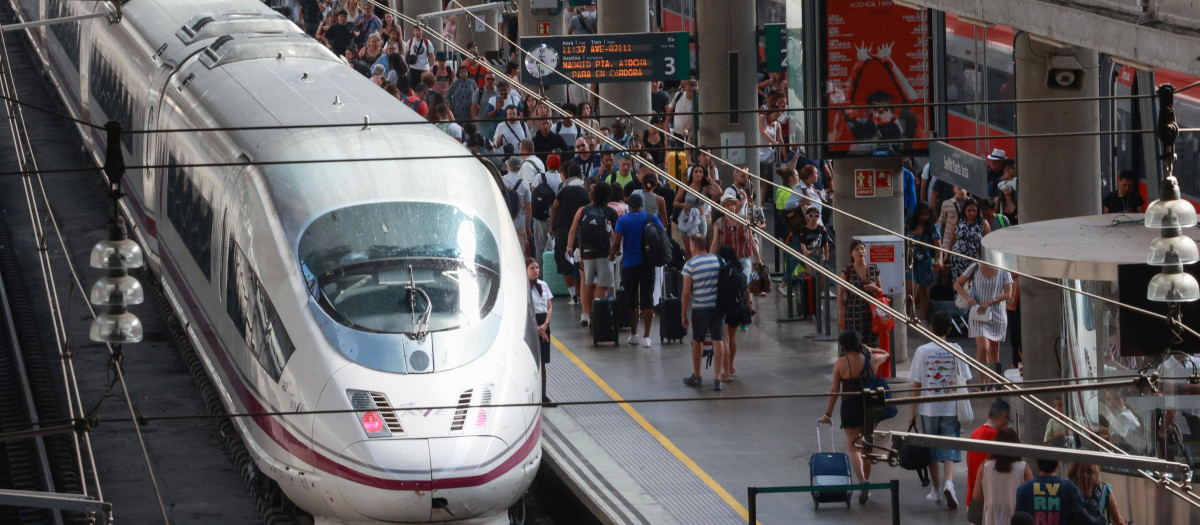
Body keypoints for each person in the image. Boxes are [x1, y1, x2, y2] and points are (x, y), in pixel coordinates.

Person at [908, 311, 973, 510]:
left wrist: (913, 411)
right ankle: (949, 484)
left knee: (931, 447)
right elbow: (967, 378)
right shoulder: (956, 348)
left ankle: (936, 490)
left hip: (929, 408)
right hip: (951, 406)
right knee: (950, 445)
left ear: (931, 328)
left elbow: (917, 383)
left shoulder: (922, 351)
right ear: (950, 329)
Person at [821, 330, 890, 504]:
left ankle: (862, 482)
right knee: (867, 446)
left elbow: (835, 390)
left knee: (853, 447)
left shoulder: (840, 363)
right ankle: (867, 481)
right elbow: (886, 354)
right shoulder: (872, 359)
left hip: (850, 407)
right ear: (859, 343)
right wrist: (869, 348)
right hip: (870, 407)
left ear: (843, 347)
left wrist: (828, 414)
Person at [610, 193, 663, 348]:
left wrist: (612, 255)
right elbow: (660, 235)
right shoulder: (651, 217)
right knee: (648, 300)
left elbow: (617, 240)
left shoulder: (623, 220)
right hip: (648, 263)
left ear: (629, 206)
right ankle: (647, 336)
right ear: (641, 205)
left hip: (630, 264)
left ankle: (634, 334)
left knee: (631, 300)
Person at [954, 262, 1012, 390]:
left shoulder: (1003, 269)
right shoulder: (975, 267)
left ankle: (991, 383)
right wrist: (968, 298)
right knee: (983, 347)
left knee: (994, 349)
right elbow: (957, 284)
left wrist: (990, 301)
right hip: (978, 313)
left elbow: (1008, 294)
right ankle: (982, 382)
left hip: (997, 314)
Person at [569, 183, 619, 325]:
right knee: (602, 286)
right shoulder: (611, 212)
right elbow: (616, 234)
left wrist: (569, 247)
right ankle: (598, 315)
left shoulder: (583, 210)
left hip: (586, 253)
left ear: (592, 195)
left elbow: (574, 230)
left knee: (587, 284)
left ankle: (586, 314)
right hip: (603, 253)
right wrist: (615, 251)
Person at [682, 234, 726, 390]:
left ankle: (697, 376)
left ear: (693, 246)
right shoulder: (718, 260)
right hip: (717, 307)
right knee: (717, 339)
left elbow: (686, 293)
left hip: (700, 307)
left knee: (698, 340)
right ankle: (717, 379)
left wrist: (683, 314)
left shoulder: (690, 264)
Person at [970, 428, 1033, 525]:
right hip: (1016, 517)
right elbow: (1031, 495)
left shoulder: (984, 467)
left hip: (991, 516)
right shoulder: (1024, 468)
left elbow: (976, 495)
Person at [966, 400, 1012, 508]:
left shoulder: (975, 433)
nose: (1007, 425)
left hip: (973, 498)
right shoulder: (995, 437)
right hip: (990, 501)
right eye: (1008, 420)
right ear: (1003, 416)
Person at [717, 245, 753, 382]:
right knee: (732, 339)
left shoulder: (721, 269)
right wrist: (748, 305)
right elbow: (746, 289)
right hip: (736, 308)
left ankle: (726, 372)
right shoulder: (739, 269)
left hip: (723, 307)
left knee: (724, 340)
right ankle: (731, 366)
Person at [839, 239, 883, 347]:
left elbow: (881, 292)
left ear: (866, 251)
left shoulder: (873, 269)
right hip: (853, 313)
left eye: (862, 249)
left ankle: (869, 363)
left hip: (871, 313)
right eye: (857, 249)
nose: (860, 252)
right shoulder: (847, 271)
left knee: (872, 344)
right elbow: (840, 294)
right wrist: (841, 316)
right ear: (852, 253)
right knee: (855, 344)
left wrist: (875, 289)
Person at [711, 194, 762, 284]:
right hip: (727, 262)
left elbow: (751, 241)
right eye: (727, 205)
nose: (731, 207)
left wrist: (758, 259)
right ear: (723, 208)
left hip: (743, 260)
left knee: (744, 284)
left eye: (732, 204)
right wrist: (710, 260)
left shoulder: (744, 221)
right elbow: (715, 244)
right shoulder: (719, 224)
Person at [1015, 459, 1084, 524]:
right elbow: (1081, 515)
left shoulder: (1024, 489)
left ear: (1037, 463)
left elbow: (1019, 519)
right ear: (1057, 463)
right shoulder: (1070, 488)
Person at [906, 201, 942, 323]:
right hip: (908, 260)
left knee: (924, 292)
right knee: (909, 289)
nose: (924, 217)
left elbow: (938, 245)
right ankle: (906, 315)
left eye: (927, 214)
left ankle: (924, 319)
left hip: (924, 261)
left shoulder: (931, 226)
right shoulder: (908, 223)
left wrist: (940, 259)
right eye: (922, 214)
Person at [527, 258, 556, 406]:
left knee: (543, 362)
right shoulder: (524, 287)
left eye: (537, 268)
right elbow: (526, 309)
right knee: (531, 362)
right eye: (532, 268)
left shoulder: (543, 285)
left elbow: (549, 306)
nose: (536, 270)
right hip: (531, 323)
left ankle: (543, 396)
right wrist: (536, 328)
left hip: (543, 323)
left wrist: (545, 324)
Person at [675, 165, 721, 256]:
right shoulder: (685, 186)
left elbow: (719, 192)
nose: (698, 174)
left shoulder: (706, 188)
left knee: (700, 249)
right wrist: (682, 205)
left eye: (700, 172)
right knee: (689, 251)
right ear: (691, 174)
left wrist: (710, 179)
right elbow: (675, 202)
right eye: (695, 171)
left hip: (700, 219)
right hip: (687, 218)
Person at [942, 198, 991, 282]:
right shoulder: (958, 220)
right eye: (969, 210)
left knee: (973, 285)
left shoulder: (983, 223)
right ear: (964, 210)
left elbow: (989, 243)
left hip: (975, 259)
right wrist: (948, 255)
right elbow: (953, 239)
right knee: (959, 285)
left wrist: (988, 260)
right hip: (958, 259)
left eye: (974, 210)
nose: (971, 213)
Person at [531, 155, 564, 261]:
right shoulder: (561, 178)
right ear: (559, 166)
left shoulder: (539, 177)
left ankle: (540, 274)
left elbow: (533, 194)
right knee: (554, 247)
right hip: (556, 218)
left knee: (540, 247)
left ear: (547, 164)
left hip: (540, 217)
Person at [503, 157, 533, 255]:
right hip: (519, 222)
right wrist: (527, 227)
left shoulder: (501, 180)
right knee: (520, 253)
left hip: (504, 221)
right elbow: (528, 207)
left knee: (505, 251)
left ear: (509, 167)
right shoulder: (524, 184)